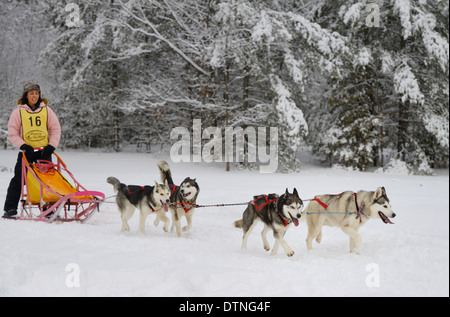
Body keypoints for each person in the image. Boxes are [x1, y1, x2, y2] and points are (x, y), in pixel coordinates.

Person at [2, 83, 61, 219]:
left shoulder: (47, 110)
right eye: (31, 93)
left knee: (46, 181)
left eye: (36, 93)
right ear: (26, 95)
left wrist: (51, 147)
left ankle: (48, 209)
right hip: (26, 152)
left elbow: (55, 129)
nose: (34, 96)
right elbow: (13, 132)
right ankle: (10, 209)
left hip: (44, 152)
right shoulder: (18, 111)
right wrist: (23, 146)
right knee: (18, 180)